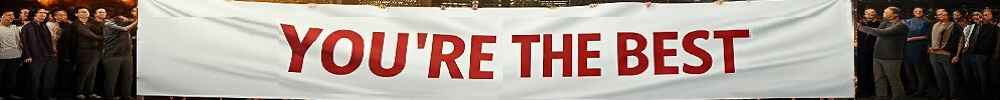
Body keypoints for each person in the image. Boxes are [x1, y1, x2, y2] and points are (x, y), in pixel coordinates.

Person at [858, 7, 908, 99]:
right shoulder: (884, 23)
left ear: (895, 14)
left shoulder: (901, 26)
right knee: (879, 80)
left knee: (894, 80)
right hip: (877, 56)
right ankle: (881, 97)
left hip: (892, 57)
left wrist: (860, 27)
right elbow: (876, 30)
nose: (883, 13)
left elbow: (881, 33)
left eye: (886, 12)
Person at [96, 8, 136, 100]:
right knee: (111, 78)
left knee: (128, 77)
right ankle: (109, 96)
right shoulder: (108, 23)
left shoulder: (122, 22)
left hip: (126, 55)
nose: (125, 19)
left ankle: (126, 95)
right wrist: (138, 20)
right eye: (122, 18)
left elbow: (130, 22)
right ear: (115, 17)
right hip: (112, 55)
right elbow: (125, 29)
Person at [20, 8, 59, 100]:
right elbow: (24, 42)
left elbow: (48, 41)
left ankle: (46, 96)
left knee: (48, 78)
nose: (43, 15)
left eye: (45, 13)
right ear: (34, 14)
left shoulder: (44, 25)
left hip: (47, 55)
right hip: (35, 57)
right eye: (40, 13)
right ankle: (33, 97)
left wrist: (52, 52)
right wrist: (27, 55)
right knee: (34, 79)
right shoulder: (27, 26)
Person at [927, 8, 963, 99]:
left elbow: (960, 41)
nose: (941, 15)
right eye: (939, 14)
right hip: (933, 55)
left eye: (944, 14)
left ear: (948, 15)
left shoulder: (954, 25)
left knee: (952, 77)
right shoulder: (934, 24)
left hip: (946, 55)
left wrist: (957, 55)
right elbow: (929, 39)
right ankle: (944, 95)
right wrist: (929, 47)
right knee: (939, 77)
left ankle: (954, 96)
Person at [902, 7, 936, 97]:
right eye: (916, 11)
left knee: (920, 70)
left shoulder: (927, 22)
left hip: (920, 48)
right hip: (907, 48)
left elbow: (928, 36)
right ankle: (912, 88)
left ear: (923, 12)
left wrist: (912, 38)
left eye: (920, 11)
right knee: (909, 70)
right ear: (913, 12)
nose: (918, 12)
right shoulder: (907, 21)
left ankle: (921, 90)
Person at [72, 8, 103, 99]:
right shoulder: (76, 24)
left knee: (92, 73)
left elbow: (101, 30)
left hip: (95, 51)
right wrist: (103, 37)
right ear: (76, 14)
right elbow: (90, 35)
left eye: (86, 11)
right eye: (82, 11)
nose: (85, 13)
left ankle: (90, 92)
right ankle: (79, 92)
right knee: (83, 73)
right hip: (83, 51)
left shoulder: (91, 23)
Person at [855, 8, 880, 98]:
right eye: (867, 13)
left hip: (875, 51)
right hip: (861, 51)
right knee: (862, 71)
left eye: (872, 13)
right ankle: (862, 91)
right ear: (864, 14)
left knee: (873, 72)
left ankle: (871, 91)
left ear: (875, 14)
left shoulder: (879, 24)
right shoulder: (860, 23)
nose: (869, 15)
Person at [0, 10, 25, 100]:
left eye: (12, 15)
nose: (11, 17)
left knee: (11, 77)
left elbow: (20, 42)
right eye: (8, 15)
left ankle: (8, 94)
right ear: (2, 16)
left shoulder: (15, 27)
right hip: (1, 57)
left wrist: (23, 55)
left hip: (15, 56)